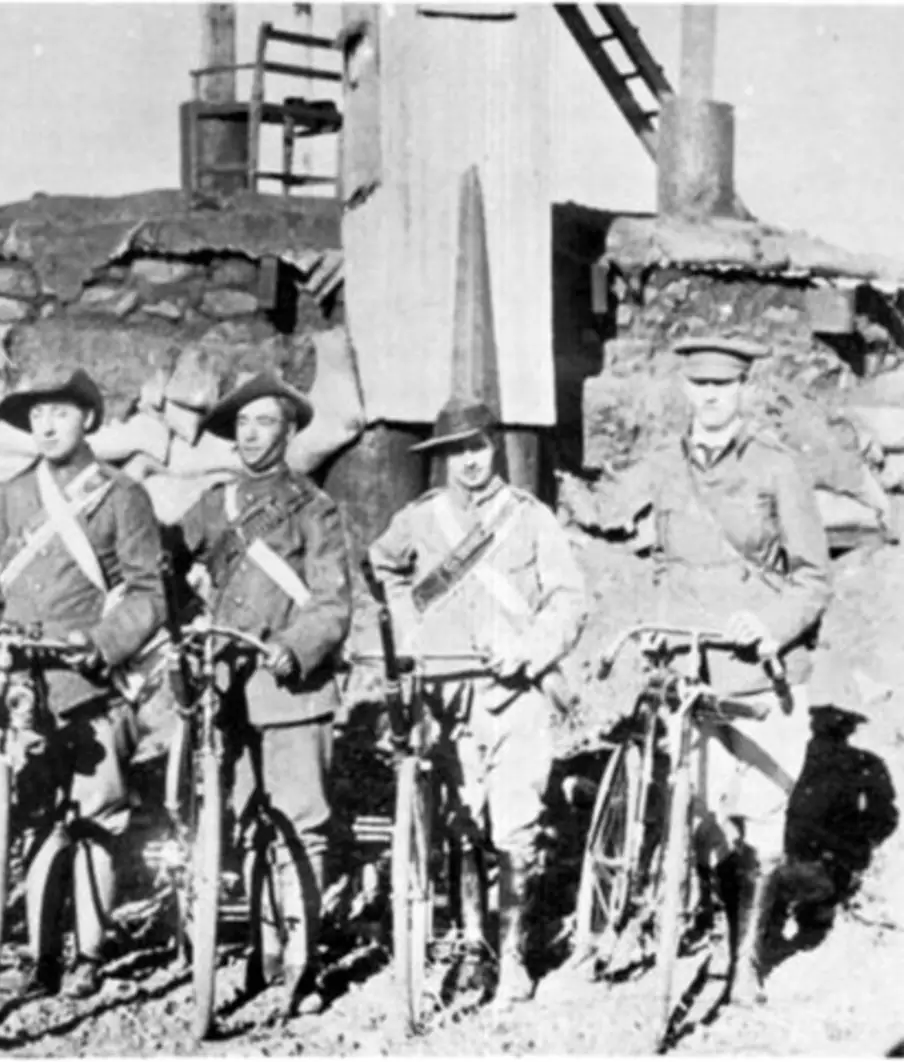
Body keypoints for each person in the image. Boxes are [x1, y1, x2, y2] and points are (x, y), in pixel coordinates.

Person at [560, 335, 832, 1003]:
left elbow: (813, 578)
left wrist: (769, 627)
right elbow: (654, 556)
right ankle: (718, 932)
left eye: (723, 386)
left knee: (762, 815)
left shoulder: (776, 467)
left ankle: (746, 963)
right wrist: (656, 625)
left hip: (761, 672)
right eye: (701, 386)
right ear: (685, 389)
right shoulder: (664, 465)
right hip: (691, 665)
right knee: (705, 812)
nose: (711, 397)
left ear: (743, 390)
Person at [368, 396, 587, 1003]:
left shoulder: (531, 519)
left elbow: (569, 599)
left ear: (496, 448)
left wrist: (532, 650)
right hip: (447, 694)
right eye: (455, 452)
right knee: (463, 820)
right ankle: (473, 947)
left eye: (478, 447)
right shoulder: (420, 518)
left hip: (516, 693)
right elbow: (382, 567)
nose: (468, 462)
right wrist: (412, 630)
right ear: (441, 458)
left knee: (516, 824)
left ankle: (512, 956)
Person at [0, 367, 166, 1000]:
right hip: (24, 683)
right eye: (37, 415)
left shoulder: (122, 496)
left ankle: (89, 952)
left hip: (91, 683)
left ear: (88, 419)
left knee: (96, 818)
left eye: (60, 412)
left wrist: (102, 645)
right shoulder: (13, 495)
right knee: (32, 817)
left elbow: (148, 593)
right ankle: (40, 955)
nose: (47, 426)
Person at [168, 372, 353, 1016]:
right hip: (226, 690)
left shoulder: (314, 509)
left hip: (293, 690)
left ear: (289, 430)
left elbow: (332, 602)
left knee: (302, 825)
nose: (251, 435)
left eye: (265, 422)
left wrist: (295, 647)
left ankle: (303, 962)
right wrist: (182, 619)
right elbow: (162, 565)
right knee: (244, 822)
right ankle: (262, 949)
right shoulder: (212, 505)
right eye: (242, 424)